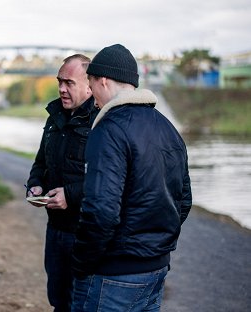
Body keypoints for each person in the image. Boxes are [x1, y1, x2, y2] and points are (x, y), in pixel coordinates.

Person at [71, 44, 192, 311]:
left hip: (113, 273)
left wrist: (81, 261)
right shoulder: (167, 127)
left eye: (90, 85)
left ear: (102, 80)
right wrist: (154, 246)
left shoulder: (108, 130)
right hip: (156, 268)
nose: (91, 95)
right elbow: (183, 201)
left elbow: (101, 211)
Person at [25, 54, 98, 312]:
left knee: (82, 303)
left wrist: (71, 194)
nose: (61, 89)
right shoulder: (53, 117)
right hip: (55, 229)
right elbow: (40, 163)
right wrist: (34, 186)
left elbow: (108, 179)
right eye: (59, 82)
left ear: (89, 85)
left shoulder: (102, 122)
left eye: (68, 83)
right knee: (58, 300)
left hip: (85, 233)